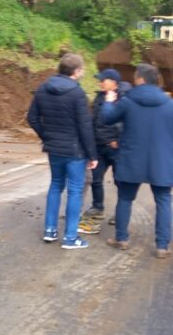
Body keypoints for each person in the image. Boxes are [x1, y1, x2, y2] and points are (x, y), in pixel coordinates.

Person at [101, 63, 173, 259]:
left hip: (132, 159)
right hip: (161, 162)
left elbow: (106, 118)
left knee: (125, 199)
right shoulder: (169, 104)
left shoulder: (128, 101)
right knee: (164, 201)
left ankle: (122, 239)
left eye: (135, 77)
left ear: (140, 79)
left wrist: (108, 101)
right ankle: (162, 246)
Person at [28, 53, 98, 249]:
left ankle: (50, 230)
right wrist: (92, 155)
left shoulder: (43, 89)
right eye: (82, 69)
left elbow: (32, 118)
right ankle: (70, 237)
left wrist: (47, 137)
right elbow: (85, 127)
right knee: (75, 191)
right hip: (75, 151)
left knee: (56, 185)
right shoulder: (77, 94)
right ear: (76, 72)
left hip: (54, 149)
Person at [77, 69, 129, 234]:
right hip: (99, 147)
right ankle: (97, 206)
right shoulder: (99, 97)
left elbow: (130, 124)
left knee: (119, 181)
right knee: (95, 179)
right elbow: (93, 121)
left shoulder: (124, 99)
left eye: (103, 80)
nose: (100, 82)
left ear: (114, 82)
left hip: (116, 149)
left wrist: (119, 141)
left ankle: (120, 214)